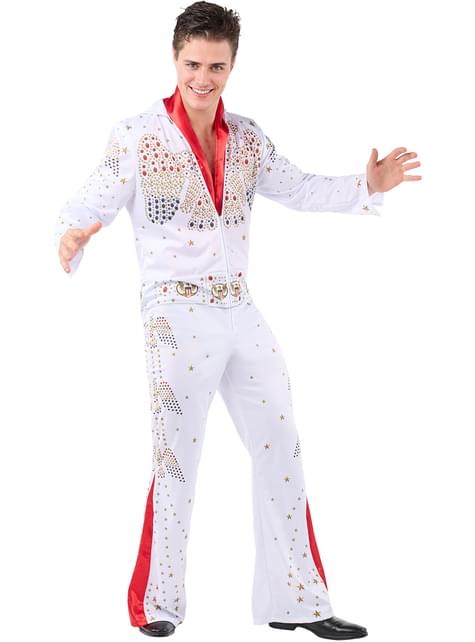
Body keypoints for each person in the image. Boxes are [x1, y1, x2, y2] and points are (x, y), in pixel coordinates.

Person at [54, 2, 421, 638]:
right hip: (173, 314)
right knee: (176, 459)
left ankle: (297, 602)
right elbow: (92, 198)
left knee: (282, 444)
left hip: (240, 308)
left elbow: (299, 188)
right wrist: (73, 233)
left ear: (232, 66)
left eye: (216, 66)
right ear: (175, 59)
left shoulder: (247, 137)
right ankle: (159, 604)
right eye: (193, 64)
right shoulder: (137, 135)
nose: (203, 77)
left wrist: (367, 186)